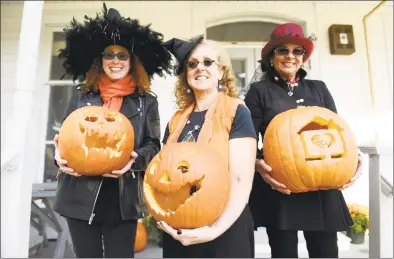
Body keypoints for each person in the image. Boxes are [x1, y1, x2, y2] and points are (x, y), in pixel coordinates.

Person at [52, 4, 173, 258]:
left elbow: (153, 146)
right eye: (109, 55)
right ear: (100, 61)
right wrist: (59, 158)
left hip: (122, 197)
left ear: (132, 62)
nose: (115, 61)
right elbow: (66, 139)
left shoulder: (145, 101)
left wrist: (133, 160)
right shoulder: (82, 98)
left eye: (122, 55)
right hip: (79, 194)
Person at [245, 23, 363, 258]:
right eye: (283, 50)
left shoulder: (318, 89)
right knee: (284, 252)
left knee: (326, 252)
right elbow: (248, 137)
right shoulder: (259, 91)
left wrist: (353, 157)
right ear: (271, 56)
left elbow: (336, 130)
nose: (290, 56)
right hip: (282, 184)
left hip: (323, 181)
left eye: (297, 51)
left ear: (303, 57)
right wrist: (258, 163)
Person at [154, 35, 257, 258]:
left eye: (207, 62)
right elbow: (162, 172)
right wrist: (163, 216)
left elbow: (241, 180)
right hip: (180, 228)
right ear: (186, 75)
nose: (200, 68)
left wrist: (214, 230)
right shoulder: (177, 119)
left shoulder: (236, 111)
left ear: (221, 71)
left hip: (225, 228)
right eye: (192, 64)